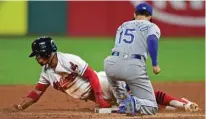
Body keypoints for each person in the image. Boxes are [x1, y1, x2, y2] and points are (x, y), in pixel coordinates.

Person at [9, 36, 111, 111]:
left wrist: (100, 98)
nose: (37, 58)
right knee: (120, 107)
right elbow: (37, 93)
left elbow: (91, 75)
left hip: (104, 85)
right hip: (95, 97)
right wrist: (20, 107)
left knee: (125, 99)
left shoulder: (69, 60)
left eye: (38, 54)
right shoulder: (46, 72)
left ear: (47, 52)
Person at [104, 3, 161, 115]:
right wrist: (155, 63)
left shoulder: (122, 26)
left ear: (134, 14)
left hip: (111, 64)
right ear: (150, 17)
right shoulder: (151, 26)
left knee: (118, 86)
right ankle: (134, 103)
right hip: (133, 66)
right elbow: (152, 40)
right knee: (152, 107)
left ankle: (123, 104)